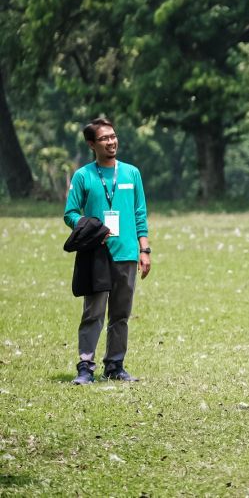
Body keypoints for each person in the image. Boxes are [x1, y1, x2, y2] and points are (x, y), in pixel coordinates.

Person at [64, 117, 151, 384]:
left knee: (121, 313)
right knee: (93, 312)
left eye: (113, 136)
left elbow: (139, 213)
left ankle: (114, 365)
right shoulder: (83, 176)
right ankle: (85, 368)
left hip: (126, 253)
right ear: (92, 144)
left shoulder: (131, 173)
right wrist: (89, 227)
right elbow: (70, 213)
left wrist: (144, 248)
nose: (111, 142)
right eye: (104, 138)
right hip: (97, 255)